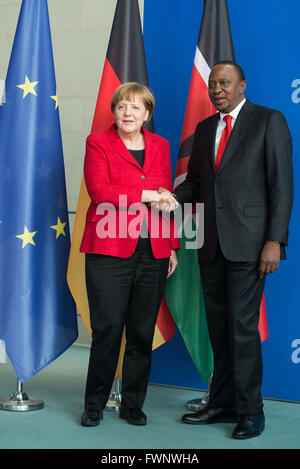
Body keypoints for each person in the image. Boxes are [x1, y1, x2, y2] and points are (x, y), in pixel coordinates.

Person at [158, 61, 293, 439]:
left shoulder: (270, 121)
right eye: (212, 83)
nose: (216, 89)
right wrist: (171, 198)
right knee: (218, 328)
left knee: (242, 329)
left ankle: (251, 411)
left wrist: (274, 241)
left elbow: (281, 187)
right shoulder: (204, 129)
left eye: (224, 83)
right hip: (210, 245)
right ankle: (221, 403)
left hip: (251, 246)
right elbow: (199, 185)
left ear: (242, 86)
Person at [80, 82, 179, 427]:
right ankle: (94, 403)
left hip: (152, 251)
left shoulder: (160, 145)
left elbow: (166, 199)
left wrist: (171, 247)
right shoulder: (98, 143)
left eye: (136, 108)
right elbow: (100, 192)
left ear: (147, 114)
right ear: (114, 111)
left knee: (141, 331)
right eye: (122, 106)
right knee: (107, 329)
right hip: (108, 251)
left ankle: (133, 404)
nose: (128, 113)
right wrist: (149, 194)